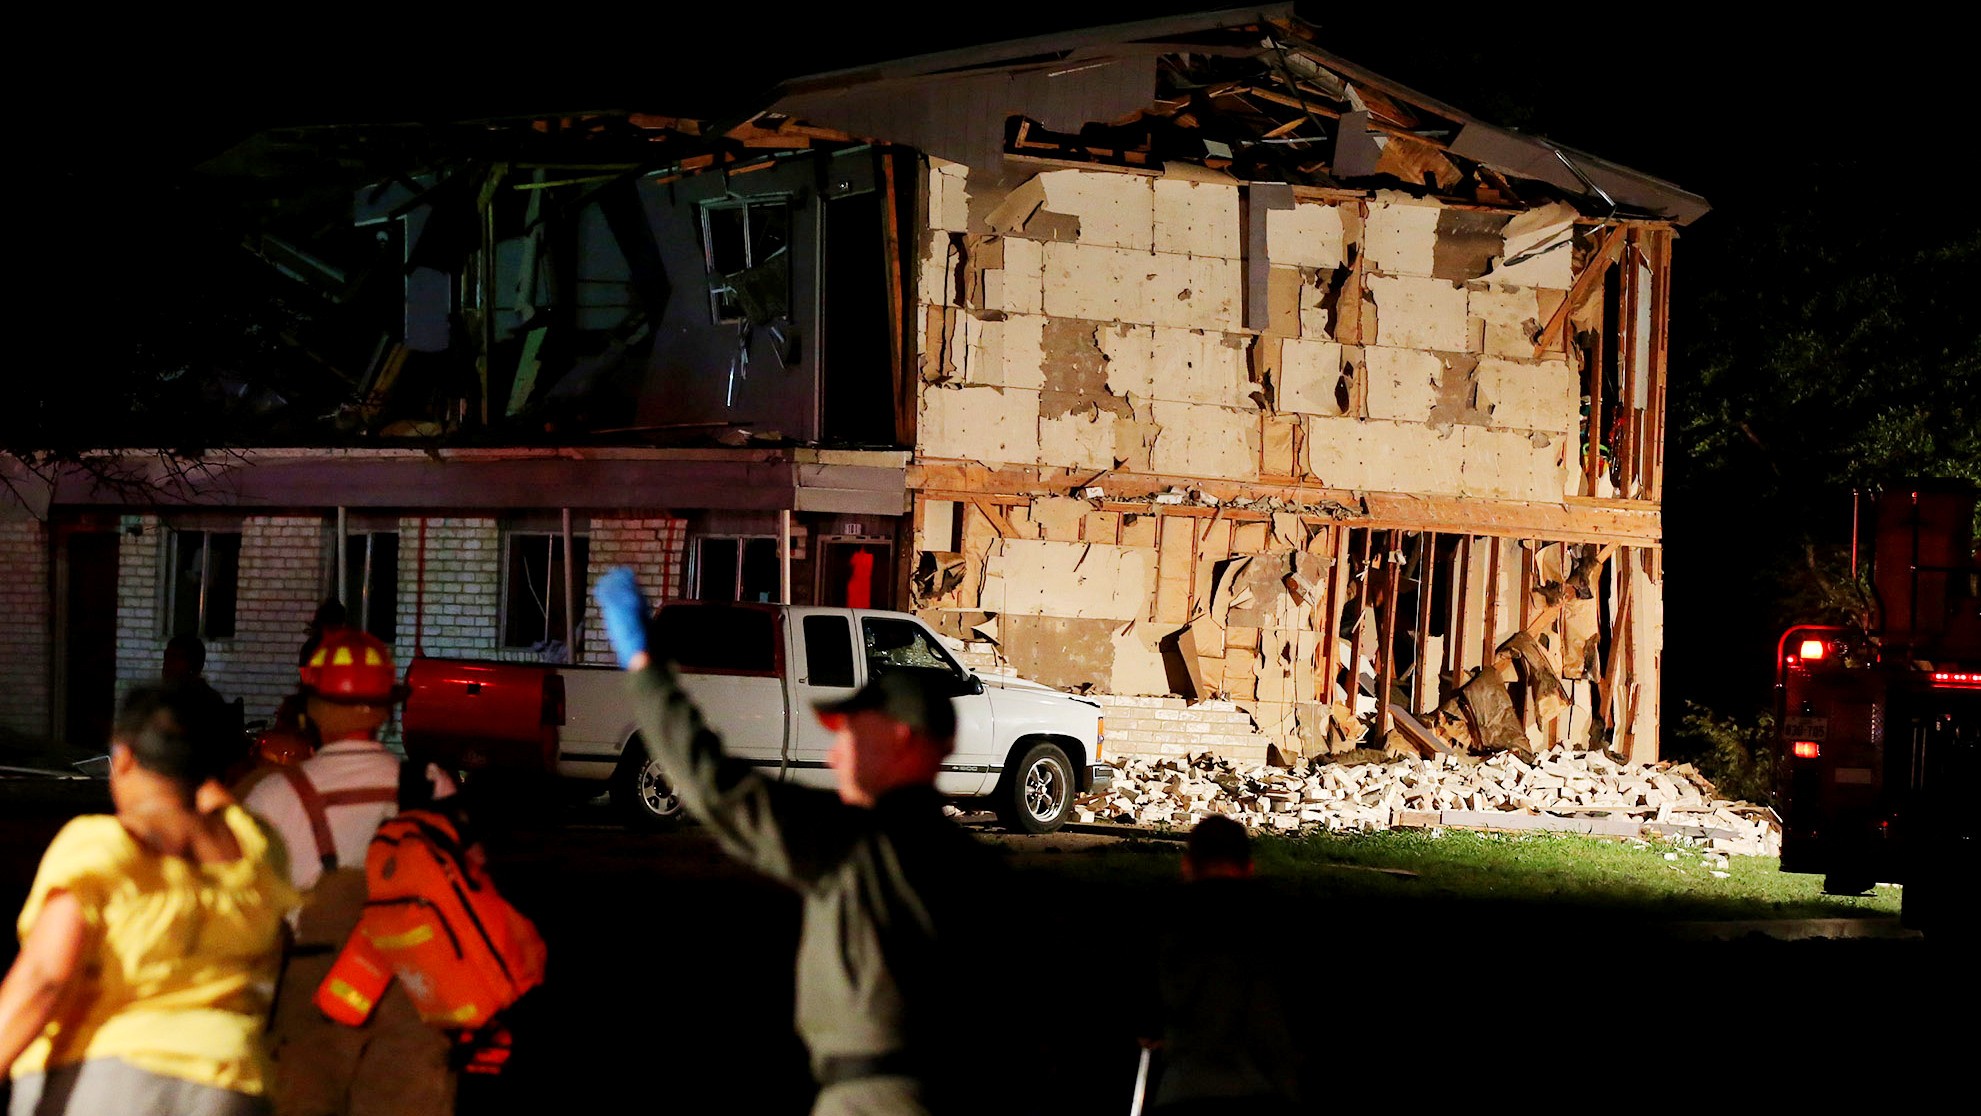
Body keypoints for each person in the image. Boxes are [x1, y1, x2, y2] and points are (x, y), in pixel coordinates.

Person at [594, 567, 1011, 1116]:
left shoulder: (855, 842)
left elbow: (718, 788)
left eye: (851, 734)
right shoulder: (981, 870)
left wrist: (647, 673)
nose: (835, 754)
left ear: (899, 738)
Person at [0, 683, 301, 1115]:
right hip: (231, 1086)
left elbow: (44, 978)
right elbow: (217, 802)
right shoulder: (258, 845)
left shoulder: (103, 846)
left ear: (123, 758)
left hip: (106, 1083)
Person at [241, 629, 458, 1116]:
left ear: (313, 708)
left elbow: (248, 922)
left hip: (312, 1000)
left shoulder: (274, 797)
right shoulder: (433, 785)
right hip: (413, 998)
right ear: (385, 710)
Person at [1140, 816, 1305, 1116]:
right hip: (1268, 1090)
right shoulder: (1282, 921)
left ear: (1187, 866)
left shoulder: (1165, 918)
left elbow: (1146, 1011)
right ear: (1249, 868)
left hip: (1188, 1090)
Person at [162, 633, 250, 782]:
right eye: (166, 657)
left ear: (194, 665)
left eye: (175, 658)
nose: (167, 664)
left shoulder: (206, 702)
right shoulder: (163, 699)